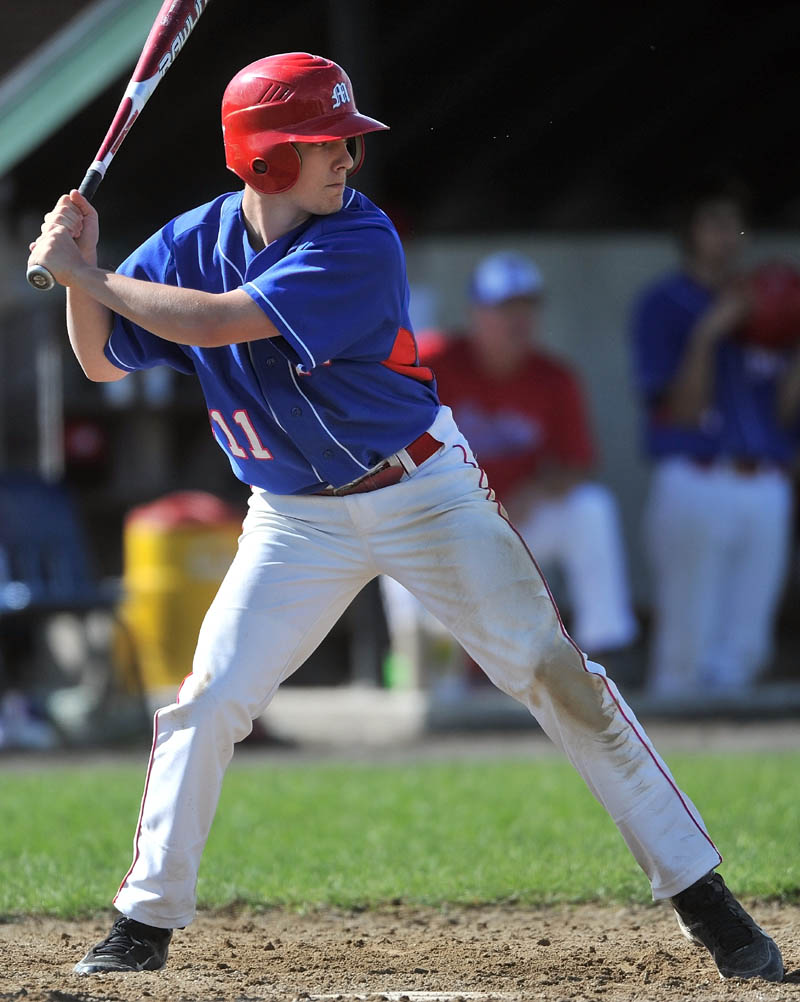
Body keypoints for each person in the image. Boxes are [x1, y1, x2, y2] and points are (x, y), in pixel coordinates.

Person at [29, 52, 782, 982]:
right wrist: (75, 275)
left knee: (555, 674)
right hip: (295, 518)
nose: (349, 156)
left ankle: (709, 904)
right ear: (263, 160)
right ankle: (140, 927)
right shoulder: (191, 239)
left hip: (423, 492)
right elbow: (103, 361)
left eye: (347, 140)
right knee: (208, 699)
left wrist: (87, 274)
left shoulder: (360, 240)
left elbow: (219, 322)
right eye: (325, 142)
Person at [408, 252, 639, 659]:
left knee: (590, 509)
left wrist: (536, 490)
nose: (517, 320)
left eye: (526, 308)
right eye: (503, 308)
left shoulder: (554, 376)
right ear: (475, 313)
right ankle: (430, 680)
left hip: (516, 518)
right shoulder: (431, 361)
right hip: (444, 521)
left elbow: (577, 462)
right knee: (399, 531)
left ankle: (604, 650)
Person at [630, 176, 800, 699]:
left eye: (735, 225)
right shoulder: (663, 303)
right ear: (690, 232)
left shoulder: (771, 298)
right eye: (715, 223)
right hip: (696, 479)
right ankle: (672, 772)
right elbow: (683, 412)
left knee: (747, 646)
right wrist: (710, 331)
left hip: (765, 481)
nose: (728, 236)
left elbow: (785, 412)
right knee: (687, 643)